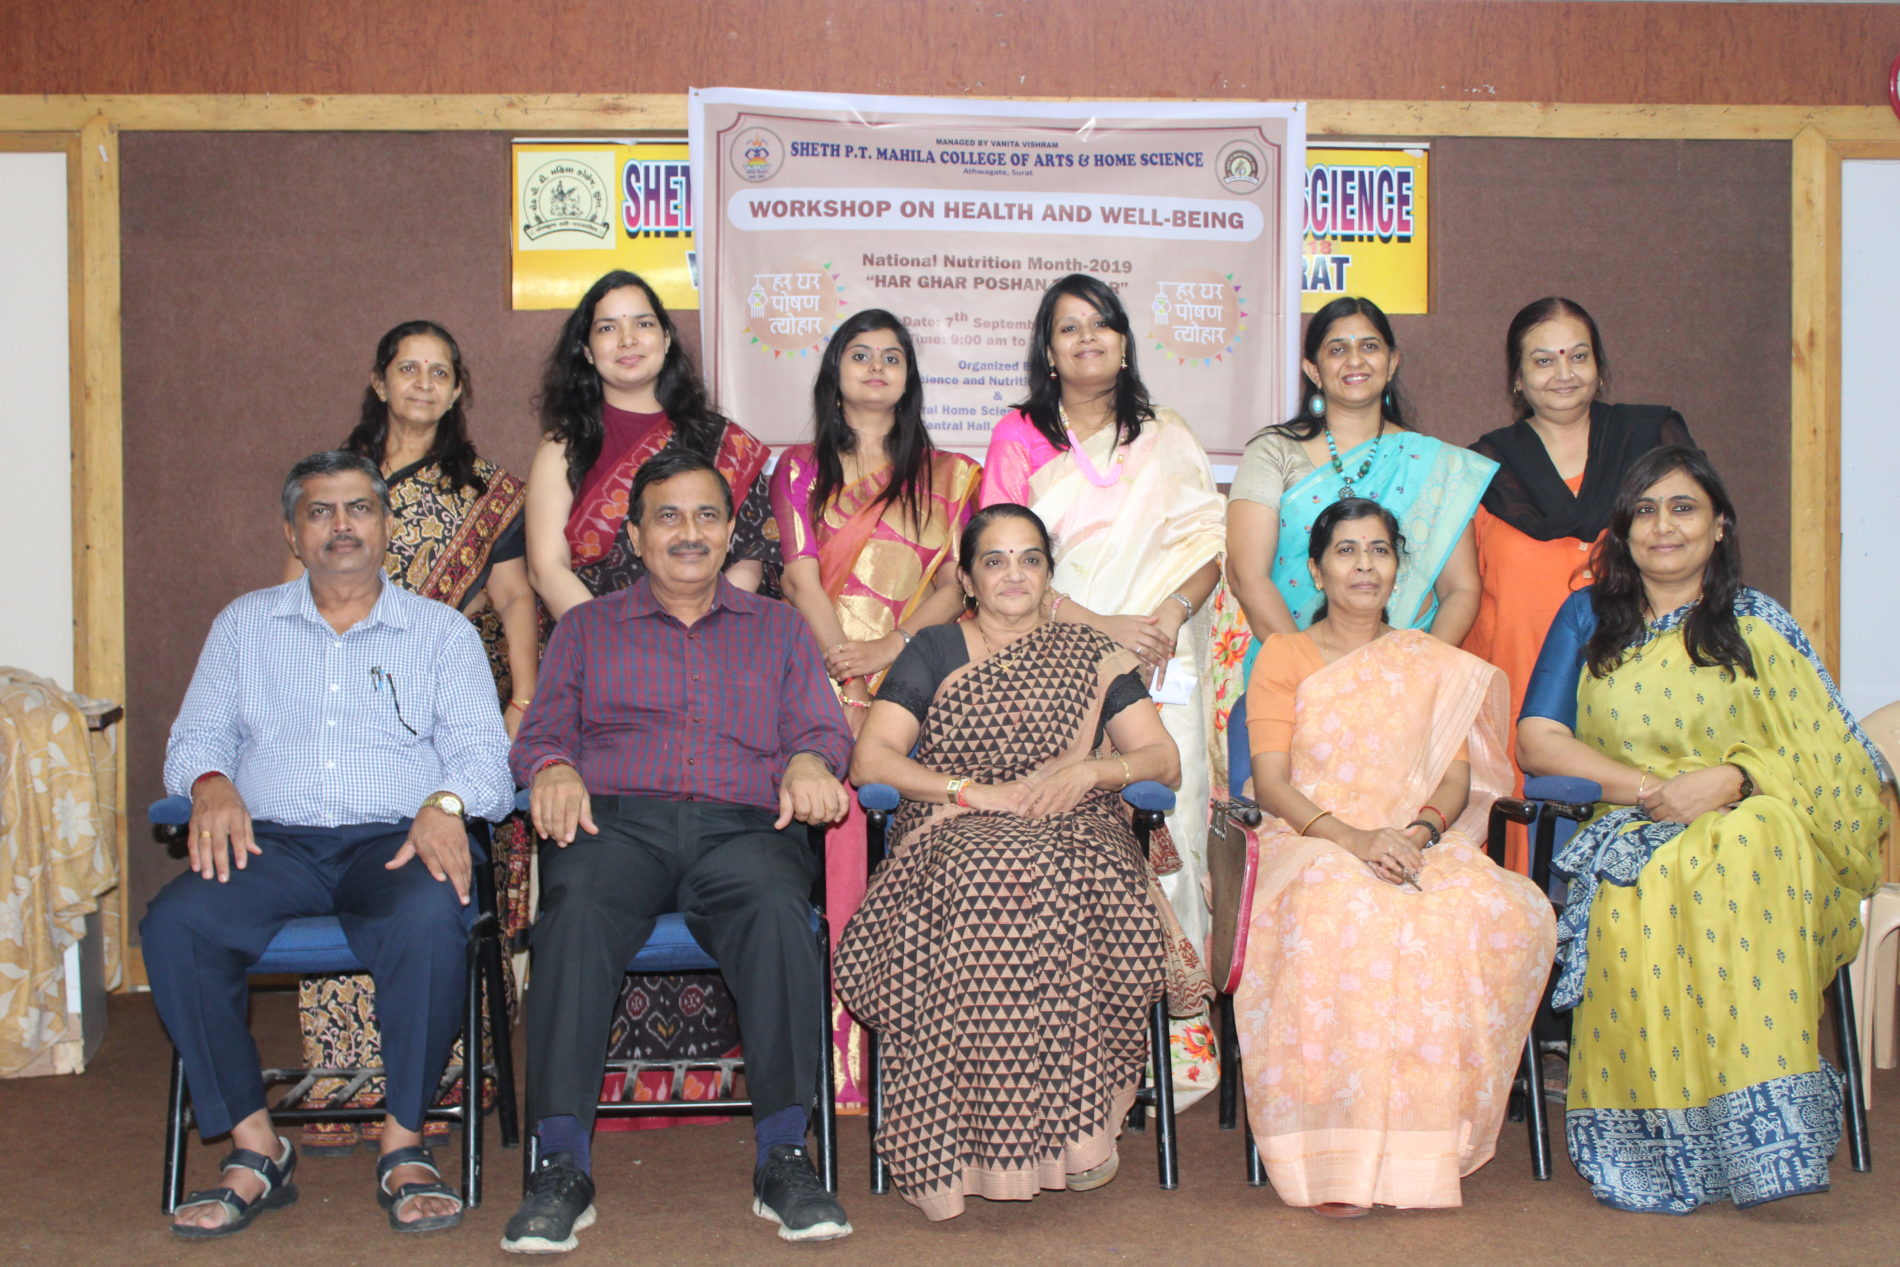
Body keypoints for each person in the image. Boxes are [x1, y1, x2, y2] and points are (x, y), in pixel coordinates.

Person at [142, 450, 514, 1238]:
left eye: (358, 508)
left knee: (431, 916)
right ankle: (256, 1145)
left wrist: (446, 802)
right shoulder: (244, 625)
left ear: (385, 524)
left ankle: (404, 1141)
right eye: (320, 511)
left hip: (395, 841)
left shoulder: (441, 633)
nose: (341, 525)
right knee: (176, 923)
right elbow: (195, 738)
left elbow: (484, 760)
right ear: (292, 531)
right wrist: (209, 780)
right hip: (272, 844)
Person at [1517, 446, 1888, 1214]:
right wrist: (1658, 791)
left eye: (1683, 507)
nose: (1664, 526)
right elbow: (1539, 742)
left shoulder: (1759, 625)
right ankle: (1672, 1142)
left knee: (1753, 838)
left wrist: (1738, 778)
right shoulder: (1590, 618)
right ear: (1623, 532)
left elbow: (1837, 759)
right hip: (1631, 823)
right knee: (1662, 871)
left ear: (1719, 525)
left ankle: (1763, 1137)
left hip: (1762, 834)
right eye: (1645, 510)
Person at [503, 449, 855, 1253]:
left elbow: (821, 727)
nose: (688, 532)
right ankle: (561, 1165)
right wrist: (552, 766)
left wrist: (810, 760)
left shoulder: (779, 627)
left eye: (705, 516)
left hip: (743, 829)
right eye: (667, 516)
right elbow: (542, 732)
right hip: (618, 829)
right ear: (635, 535)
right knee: (573, 915)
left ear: (730, 532)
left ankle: (784, 1158)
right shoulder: (587, 628)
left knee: (778, 912)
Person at [836, 504, 1198, 1219]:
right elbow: (871, 759)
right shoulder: (934, 648)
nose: (1013, 574)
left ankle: (1078, 1133)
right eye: (994, 560)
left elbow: (1163, 758)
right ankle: (967, 1136)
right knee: (982, 874)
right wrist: (971, 791)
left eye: (1030, 559)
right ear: (968, 579)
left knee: (1064, 875)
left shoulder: (1090, 652)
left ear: (1048, 575)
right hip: (953, 822)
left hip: (1075, 824)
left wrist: (1092, 773)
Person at [1237, 497, 1555, 1216]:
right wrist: (1354, 841)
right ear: (1316, 570)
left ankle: (1420, 1151)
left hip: (1414, 841)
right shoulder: (1284, 655)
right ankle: (1336, 1155)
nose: (1364, 566)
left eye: (1379, 550)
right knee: (1345, 907)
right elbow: (1273, 782)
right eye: (1346, 551)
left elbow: (1452, 781)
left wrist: (1414, 836)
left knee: (1485, 911)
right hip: (1311, 840)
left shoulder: (1429, 662)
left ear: (1397, 567)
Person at [283, 319, 542, 1155]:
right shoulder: (337, 480)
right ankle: (347, 1078)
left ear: (458, 389)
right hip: (345, 714)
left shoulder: (488, 491)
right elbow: (292, 591)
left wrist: (522, 701)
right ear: (380, 379)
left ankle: (448, 1081)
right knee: (349, 868)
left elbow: (515, 598)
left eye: (440, 372)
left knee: (431, 885)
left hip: (449, 712)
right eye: (409, 369)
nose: (424, 384)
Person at [523, 270, 777, 1114]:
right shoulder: (565, 445)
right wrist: (619, 638)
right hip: (600, 665)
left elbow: (749, 551)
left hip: (719, 653)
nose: (627, 340)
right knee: (605, 864)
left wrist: (700, 626)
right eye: (607, 326)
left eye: (643, 323)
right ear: (586, 346)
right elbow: (547, 566)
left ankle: (707, 1059)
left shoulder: (722, 441)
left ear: (668, 339)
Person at [978, 273, 1225, 1097]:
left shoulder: (1166, 433)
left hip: (1164, 657)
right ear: (1048, 352)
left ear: (1123, 342)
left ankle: (1179, 1044)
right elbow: (997, 557)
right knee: (1067, 836)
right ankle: (1081, 1047)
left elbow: (1209, 544)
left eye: (1102, 324)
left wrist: (1165, 614)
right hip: (1055, 660)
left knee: (1171, 825)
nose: (1087, 338)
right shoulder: (1018, 435)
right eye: (1069, 327)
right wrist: (1099, 626)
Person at [769, 308, 981, 1111]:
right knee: (810, 871)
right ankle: (831, 1059)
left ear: (909, 376)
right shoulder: (799, 468)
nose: (877, 368)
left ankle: (924, 1052)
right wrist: (843, 665)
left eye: (892, 357)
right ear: (836, 370)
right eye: (861, 354)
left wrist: (891, 648)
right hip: (812, 686)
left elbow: (959, 583)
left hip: (916, 685)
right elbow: (799, 576)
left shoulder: (951, 476)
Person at [1214, 296, 1495, 786]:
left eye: (1369, 346)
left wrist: (1405, 673)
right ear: (1313, 369)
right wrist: (1316, 674)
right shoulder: (1274, 452)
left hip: (1403, 693)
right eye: (1337, 349)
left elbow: (1462, 590)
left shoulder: (1436, 467)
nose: (1355, 360)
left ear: (1393, 361)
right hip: (1292, 683)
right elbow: (1247, 574)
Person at [1464, 298, 1694, 869]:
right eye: (1543, 360)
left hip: (1643, 687)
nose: (1563, 373)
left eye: (1578, 356)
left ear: (1600, 366)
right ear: (1517, 379)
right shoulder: (1481, 470)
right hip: (1521, 692)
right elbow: (1462, 594)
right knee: (1529, 872)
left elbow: (1697, 545)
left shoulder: (1649, 439)